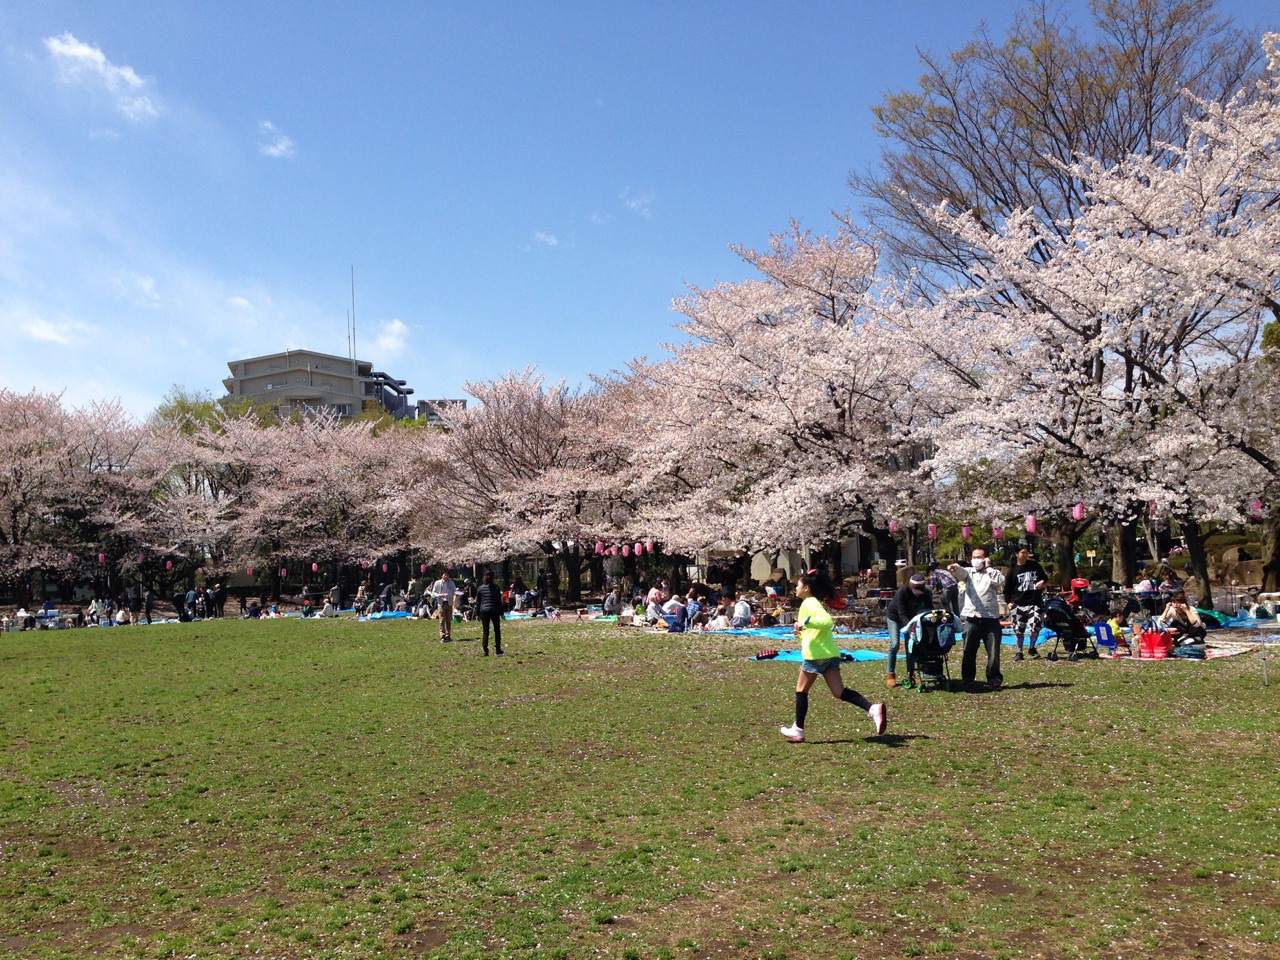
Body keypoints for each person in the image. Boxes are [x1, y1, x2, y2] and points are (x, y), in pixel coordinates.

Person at [779, 570, 887, 742]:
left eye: (797, 585)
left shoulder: (810, 603)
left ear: (806, 588)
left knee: (801, 690)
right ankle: (872, 708)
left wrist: (805, 622)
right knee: (839, 692)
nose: (795, 589)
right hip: (830, 654)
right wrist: (800, 631)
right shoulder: (811, 603)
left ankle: (798, 729)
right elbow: (815, 629)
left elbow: (827, 622)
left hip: (816, 655)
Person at [951, 548, 1007, 690]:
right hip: (972, 617)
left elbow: (1001, 582)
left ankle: (994, 679)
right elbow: (960, 571)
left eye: (979, 557)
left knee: (993, 652)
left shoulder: (993, 573)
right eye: (974, 557)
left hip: (990, 618)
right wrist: (954, 567)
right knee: (968, 649)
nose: (976, 559)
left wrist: (989, 567)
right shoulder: (969, 573)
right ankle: (967, 678)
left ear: (985, 558)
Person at [884, 574, 933, 687]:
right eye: (916, 589)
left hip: (911, 617)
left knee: (910, 646)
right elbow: (901, 613)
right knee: (894, 644)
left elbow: (929, 608)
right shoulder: (902, 592)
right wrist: (910, 627)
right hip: (895, 617)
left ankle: (911, 673)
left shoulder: (925, 593)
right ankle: (890, 674)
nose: (918, 592)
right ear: (911, 586)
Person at [1003, 547, 1048, 661]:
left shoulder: (1034, 566)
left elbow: (1045, 578)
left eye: (1026, 553)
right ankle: (1019, 651)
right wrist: (1008, 602)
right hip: (1018, 603)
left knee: (1035, 625)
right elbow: (1007, 588)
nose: (1025, 555)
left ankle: (1032, 648)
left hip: (1034, 602)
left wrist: (1042, 582)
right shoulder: (1012, 570)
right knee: (1018, 629)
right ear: (1017, 554)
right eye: (1022, 553)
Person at [474, 571, 504, 655]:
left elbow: (478, 602)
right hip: (494, 610)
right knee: (497, 630)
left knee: (485, 631)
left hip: (484, 611)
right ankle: (498, 649)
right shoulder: (496, 588)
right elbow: (499, 602)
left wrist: (477, 614)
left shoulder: (480, 588)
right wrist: (501, 613)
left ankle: (485, 650)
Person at [430, 570, 457, 642]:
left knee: (448, 620)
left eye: (447, 575)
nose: (446, 576)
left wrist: (453, 593)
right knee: (442, 620)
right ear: (442, 575)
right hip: (441, 603)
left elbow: (454, 590)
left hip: (449, 602)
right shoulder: (437, 583)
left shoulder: (451, 583)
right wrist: (439, 595)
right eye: (445, 575)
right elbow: (433, 592)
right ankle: (442, 635)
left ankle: (448, 635)